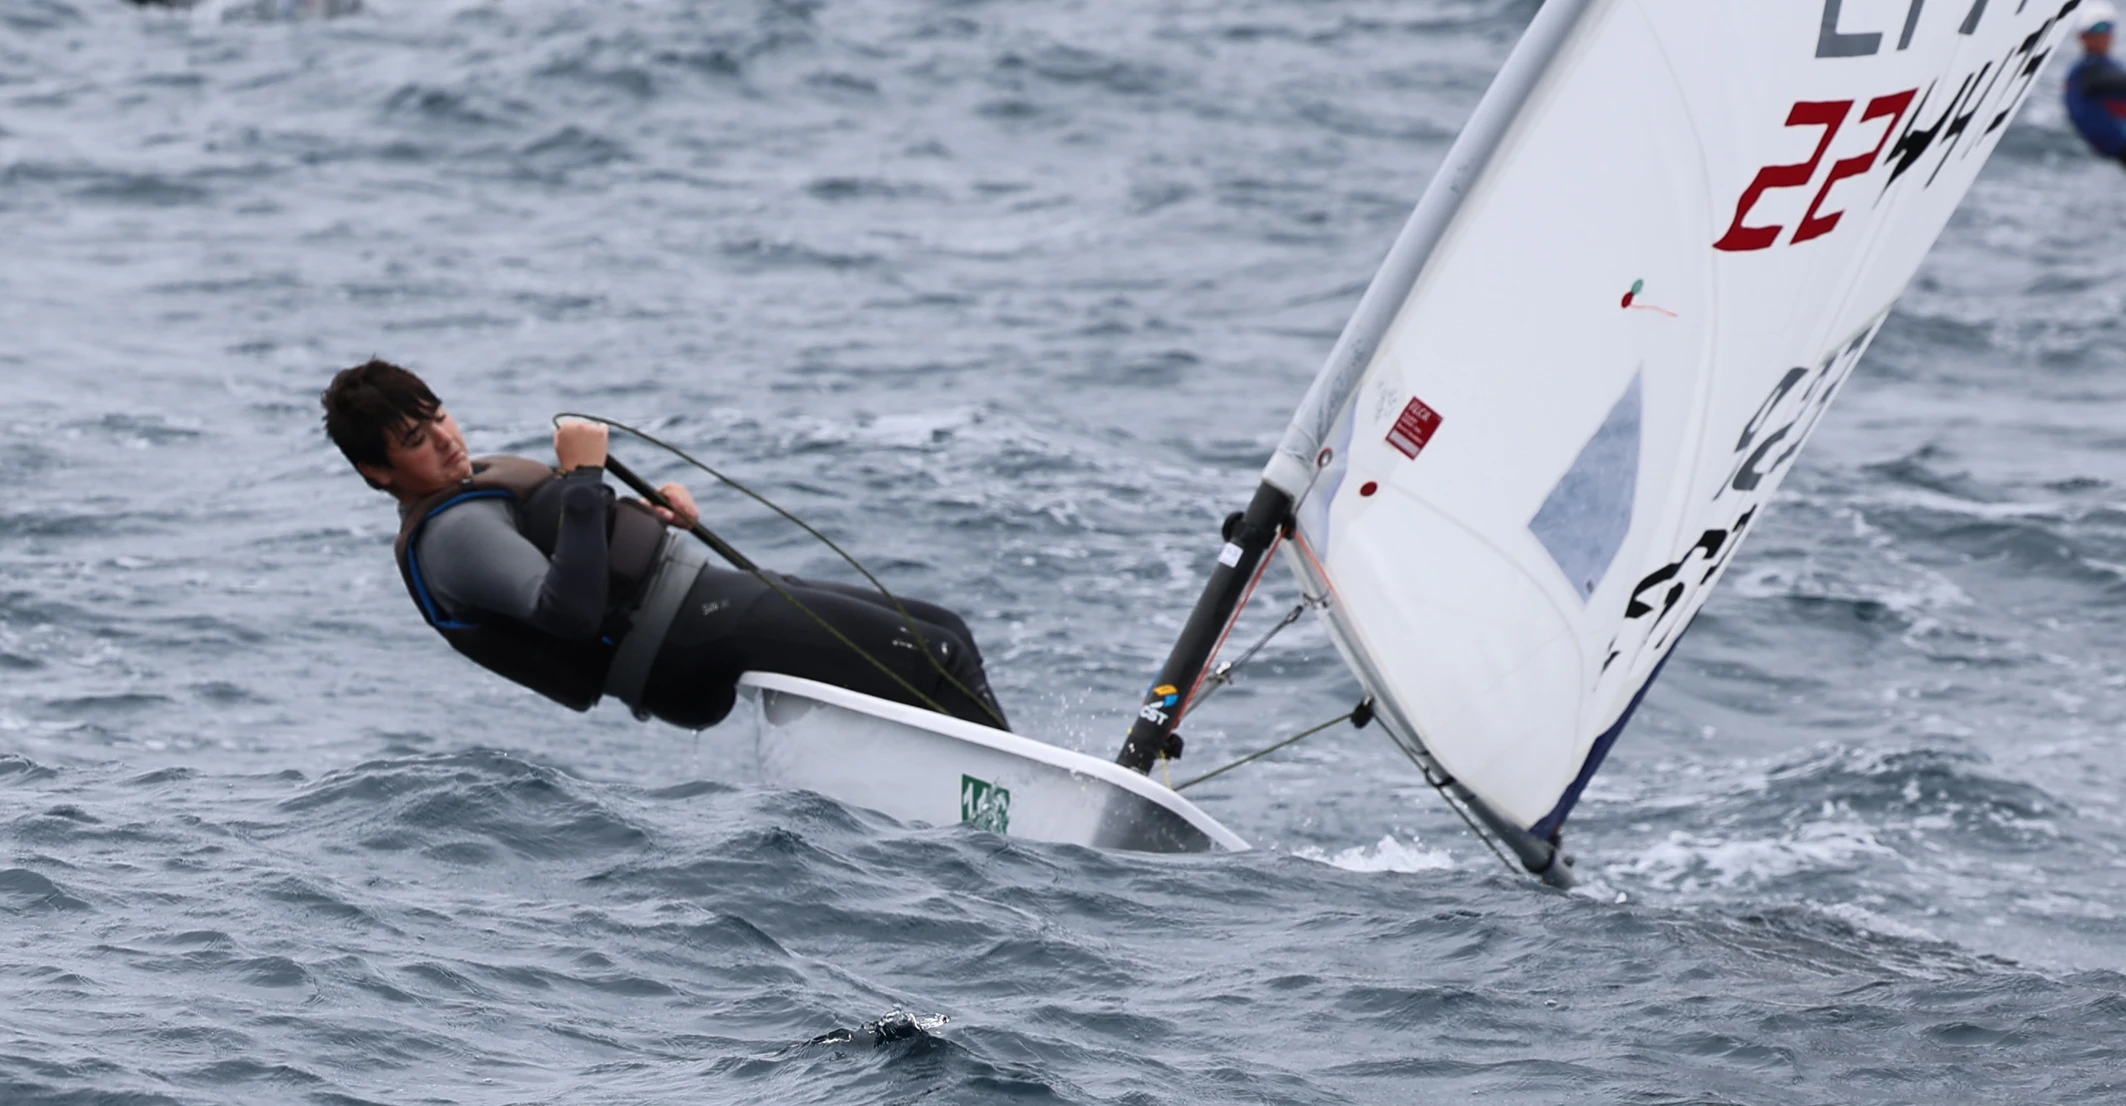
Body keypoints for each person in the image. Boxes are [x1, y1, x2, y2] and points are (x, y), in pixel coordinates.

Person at [320, 359, 1009, 731]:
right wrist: (585, 480)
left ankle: (993, 780)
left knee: (943, 629)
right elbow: (569, 613)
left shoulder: (473, 487)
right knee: (932, 653)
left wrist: (647, 517)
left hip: (697, 601)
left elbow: (577, 547)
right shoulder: (453, 537)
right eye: (417, 440)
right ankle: (1019, 810)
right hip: (683, 637)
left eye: (439, 415)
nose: (445, 439)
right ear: (377, 471)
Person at [2065, 9, 2126, 166]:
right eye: (2097, 29)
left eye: (2108, 28)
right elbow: (2112, 82)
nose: (2103, 35)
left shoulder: (2108, 65)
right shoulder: (2087, 70)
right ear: (2082, 37)